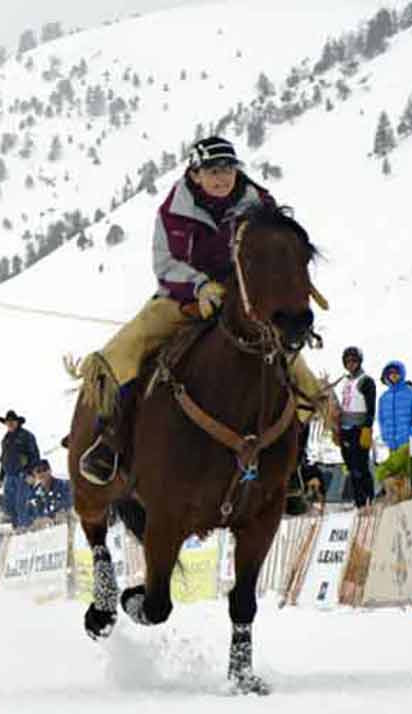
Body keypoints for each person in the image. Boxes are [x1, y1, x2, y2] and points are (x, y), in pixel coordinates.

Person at [75, 136, 325, 485]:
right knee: (123, 349)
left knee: (305, 381)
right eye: (212, 171)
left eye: (228, 170)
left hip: (245, 302)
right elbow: (164, 263)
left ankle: (295, 463)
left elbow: (275, 255)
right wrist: (199, 286)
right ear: (194, 174)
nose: (222, 178)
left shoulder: (261, 204)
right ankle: (111, 440)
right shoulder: (172, 211)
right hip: (183, 299)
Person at [336, 346, 377, 508]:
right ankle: (358, 500)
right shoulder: (346, 381)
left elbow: (371, 408)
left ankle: (368, 499)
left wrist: (367, 428)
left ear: (359, 362)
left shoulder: (366, 381)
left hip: (359, 429)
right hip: (345, 428)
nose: (350, 364)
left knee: (361, 467)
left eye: (354, 361)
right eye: (347, 361)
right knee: (351, 467)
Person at [0, 410, 41, 528]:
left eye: (12, 421)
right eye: (8, 422)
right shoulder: (5, 439)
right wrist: (1, 477)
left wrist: (32, 473)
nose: (10, 424)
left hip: (24, 475)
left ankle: (26, 529)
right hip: (9, 477)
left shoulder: (26, 436)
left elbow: (34, 456)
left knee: (23, 504)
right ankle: (17, 529)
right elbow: (3, 460)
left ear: (17, 422)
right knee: (10, 506)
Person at [377, 360, 412, 453]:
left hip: (409, 443)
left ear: (402, 373)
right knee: (394, 467)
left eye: (396, 372)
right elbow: (381, 419)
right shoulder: (384, 397)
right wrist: (385, 436)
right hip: (391, 443)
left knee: (409, 467)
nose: (393, 375)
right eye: (390, 372)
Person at [22, 459, 73, 527]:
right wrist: (37, 520)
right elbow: (27, 516)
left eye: (45, 469)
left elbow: (70, 506)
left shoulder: (65, 485)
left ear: (50, 470)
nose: (43, 473)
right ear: (34, 474)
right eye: (38, 471)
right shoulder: (34, 494)